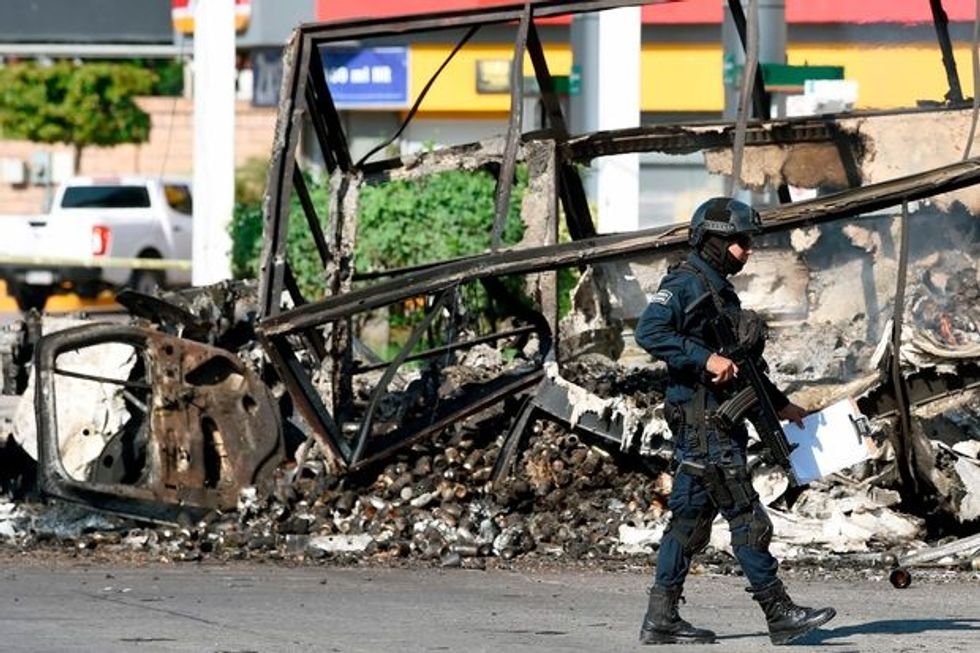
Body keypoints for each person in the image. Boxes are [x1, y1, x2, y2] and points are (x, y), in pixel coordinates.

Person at [633, 197, 836, 646]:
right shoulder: (686, 283)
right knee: (747, 518)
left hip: (710, 424)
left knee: (688, 522)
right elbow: (649, 331)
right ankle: (779, 613)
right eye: (740, 241)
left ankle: (660, 618)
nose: (748, 249)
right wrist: (704, 359)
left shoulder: (718, 288)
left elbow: (742, 365)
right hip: (706, 424)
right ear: (713, 241)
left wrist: (780, 406)